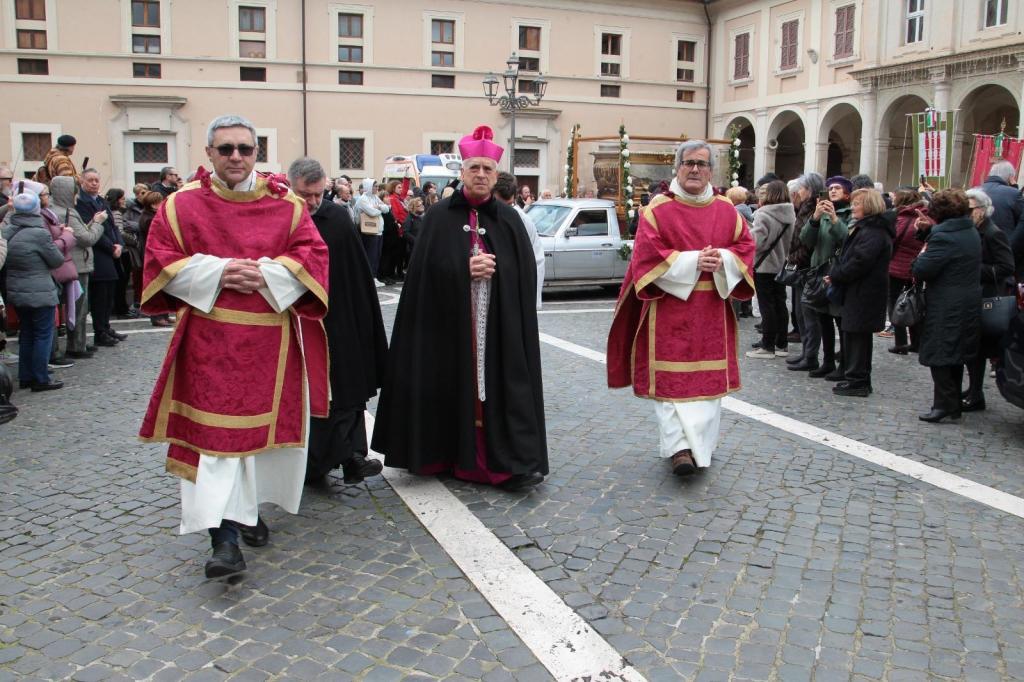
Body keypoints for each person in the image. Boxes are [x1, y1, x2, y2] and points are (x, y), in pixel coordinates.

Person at [138, 114, 329, 579]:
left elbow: (313, 255)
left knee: (256, 445)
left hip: (270, 344)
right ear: (209, 154)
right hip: (208, 343)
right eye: (226, 150)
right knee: (214, 442)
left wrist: (268, 272)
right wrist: (217, 272)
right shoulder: (181, 206)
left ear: (256, 153)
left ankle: (247, 512)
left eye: (245, 149)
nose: (236, 158)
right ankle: (222, 539)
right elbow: (159, 259)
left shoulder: (286, 205)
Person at [372, 125, 548, 491]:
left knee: (502, 383)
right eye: (474, 168)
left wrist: (497, 274)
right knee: (447, 382)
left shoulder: (511, 221)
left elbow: (523, 274)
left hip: (497, 328)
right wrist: (461, 270)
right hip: (447, 328)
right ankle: (443, 454)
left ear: (496, 175)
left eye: (487, 169)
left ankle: (507, 460)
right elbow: (420, 278)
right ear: (462, 172)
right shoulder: (437, 219)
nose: (481, 175)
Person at [607, 140, 755, 476]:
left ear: (711, 171)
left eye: (702, 164)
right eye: (688, 163)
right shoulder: (657, 210)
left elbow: (745, 247)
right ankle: (679, 450)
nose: (694, 169)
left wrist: (724, 259)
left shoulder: (726, 210)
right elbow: (647, 256)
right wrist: (692, 261)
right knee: (672, 385)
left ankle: (702, 446)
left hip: (711, 311)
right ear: (677, 167)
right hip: (670, 310)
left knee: (706, 387)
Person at [287, 157, 387, 487]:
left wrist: (363, 322)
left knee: (348, 389)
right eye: (306, 195)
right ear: (291, 187)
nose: (314, 201)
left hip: (340, 319)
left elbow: (356, 273)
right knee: (312, 395)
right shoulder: (280, 218)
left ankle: (353, 457)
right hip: (299, 323)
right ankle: (315, 464)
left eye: (319, 193)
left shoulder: (336, 217)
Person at [911, 189, 981, 423]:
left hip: (946, 303)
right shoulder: (969, 230)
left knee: (939, 353)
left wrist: (919, 256)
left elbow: (923, 269)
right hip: (967, 300)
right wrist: (928, 233)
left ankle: (944, 404)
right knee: (955, 354)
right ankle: (952, 405)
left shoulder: (943, 236)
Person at [824, 188, 893, 397]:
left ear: (869, 206)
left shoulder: (873, 232)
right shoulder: (868, 229)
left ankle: (859, 381)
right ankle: (855, 377)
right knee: (855, 335)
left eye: (857, 204)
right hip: (860, 290)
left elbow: (859, 262)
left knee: (858, 337)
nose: (853, 208)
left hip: (864, 292)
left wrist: (836, 275)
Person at [1, 188, 70, 391]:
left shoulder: (6, 231)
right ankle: (41, 378)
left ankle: (25, 375)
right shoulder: (39, 233)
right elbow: (56, 260)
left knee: (27, 333)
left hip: (16, 288)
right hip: (40, 290)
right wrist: (63, 239)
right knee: (43, 334)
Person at [962, 189, 1016, 412]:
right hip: (975, 293)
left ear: (982, 210)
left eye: (970, 209)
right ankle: (973, 390)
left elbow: (1006, 267)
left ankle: (976, 393)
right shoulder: (974, 230)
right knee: (973, 348)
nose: (967, 213)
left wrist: (974, 268)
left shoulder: (993, 233)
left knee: (979, 348)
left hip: (987, 295)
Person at [796, 175, 851, 379]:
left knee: (839, 320)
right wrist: (815, 218)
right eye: (830, 188)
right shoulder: (821, 213)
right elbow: (806, 239)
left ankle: (844, 364)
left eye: (837, 188)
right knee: (823, 318)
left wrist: (835, 219)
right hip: (818, 271)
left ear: (846, 193)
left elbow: (846, 239)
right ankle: (827, 361)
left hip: (837, 273)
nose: (833, 191)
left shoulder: (849, 213)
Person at [51, 176, 102, 359]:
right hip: (76, 265)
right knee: (78, 307)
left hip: (64, 264)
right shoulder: (67, 212)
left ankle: (74, 345)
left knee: (66, 309)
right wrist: (97, 223)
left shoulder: (52, 210)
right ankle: (76, 345)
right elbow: (86, 238)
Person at [76, 169, 126, 348]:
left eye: (97, 180)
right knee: (100, 295)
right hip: (98, 253)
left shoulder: (102, 201)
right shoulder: (80, 203)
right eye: (90, 180)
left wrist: (119, 243)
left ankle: (106, 326)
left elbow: (112, 226)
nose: (94, 183)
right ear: (82, 182)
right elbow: (89, 228)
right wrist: (111, 247)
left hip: (112, 251)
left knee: (109, 292)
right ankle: (100, 331)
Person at [745, 180, 794, 359]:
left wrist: (747, 232)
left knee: (767, 305)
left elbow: (756, 242)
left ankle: (768, 345)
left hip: (764, 265)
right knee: (780, 304)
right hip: (781, 263)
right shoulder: (790, 213)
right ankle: (781, 343)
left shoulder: (764, 214)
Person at [784, 173, 824, 370]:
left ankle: (811, 356)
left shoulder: (814, 209)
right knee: (801, 313)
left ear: (808, 190)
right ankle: (806, 353)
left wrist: (795, 258)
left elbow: (807, 240)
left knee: (809, 315)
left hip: (807, 267)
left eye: (800, 188)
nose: (797, 192)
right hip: (802, 266)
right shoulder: (804, 208)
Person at [493, 171, 545, 310]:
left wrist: (532, 301)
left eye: (509, 204)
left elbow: (536, 259)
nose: (504, 209)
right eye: (499, 204)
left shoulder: (521, 220)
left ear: (515, 198)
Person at [886, 188, 925, 354]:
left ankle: (901, 341)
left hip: (897, 267)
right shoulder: (925, 216)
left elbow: (892, 239)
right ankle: (917, 341)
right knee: (915, 303)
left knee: (895, 303)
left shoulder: (901, 218)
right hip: (916, 266)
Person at [136, 191, 172, 327]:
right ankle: (157, 316)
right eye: (159, 202)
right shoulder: (149, 218)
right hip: (153, 255)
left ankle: (164, 314)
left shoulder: (152, 216)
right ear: (152, 204)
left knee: (163, 286)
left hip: (158, 254)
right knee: (156, 286)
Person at [106, 188, 137, 319]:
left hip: (116, 250)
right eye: (122, 199)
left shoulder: (111, 212)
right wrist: (133, 239)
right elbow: (120, 233)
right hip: (122, 251)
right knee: (122, 282)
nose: (124, 201)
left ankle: (120, 307)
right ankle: (121, 308)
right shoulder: (117, 213)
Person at [354, 178, 390, 287]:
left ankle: (374, 276)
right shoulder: (362, 199)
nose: (377, 188)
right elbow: (372, 212)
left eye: (377, 186)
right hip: (369, 232)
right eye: (375, 186)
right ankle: (369, 278)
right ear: (369, 187)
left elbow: (387, 209)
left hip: (378, 231)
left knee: (377, 255)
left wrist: (378, 207)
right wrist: (379, 208)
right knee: (371, 256)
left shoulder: (375, 197)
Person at [980, 160, 1024, 236]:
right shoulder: (1014, 194)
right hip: (1004, 242)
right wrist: (1014, 188)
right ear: (1011, 178)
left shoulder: (976, 191)